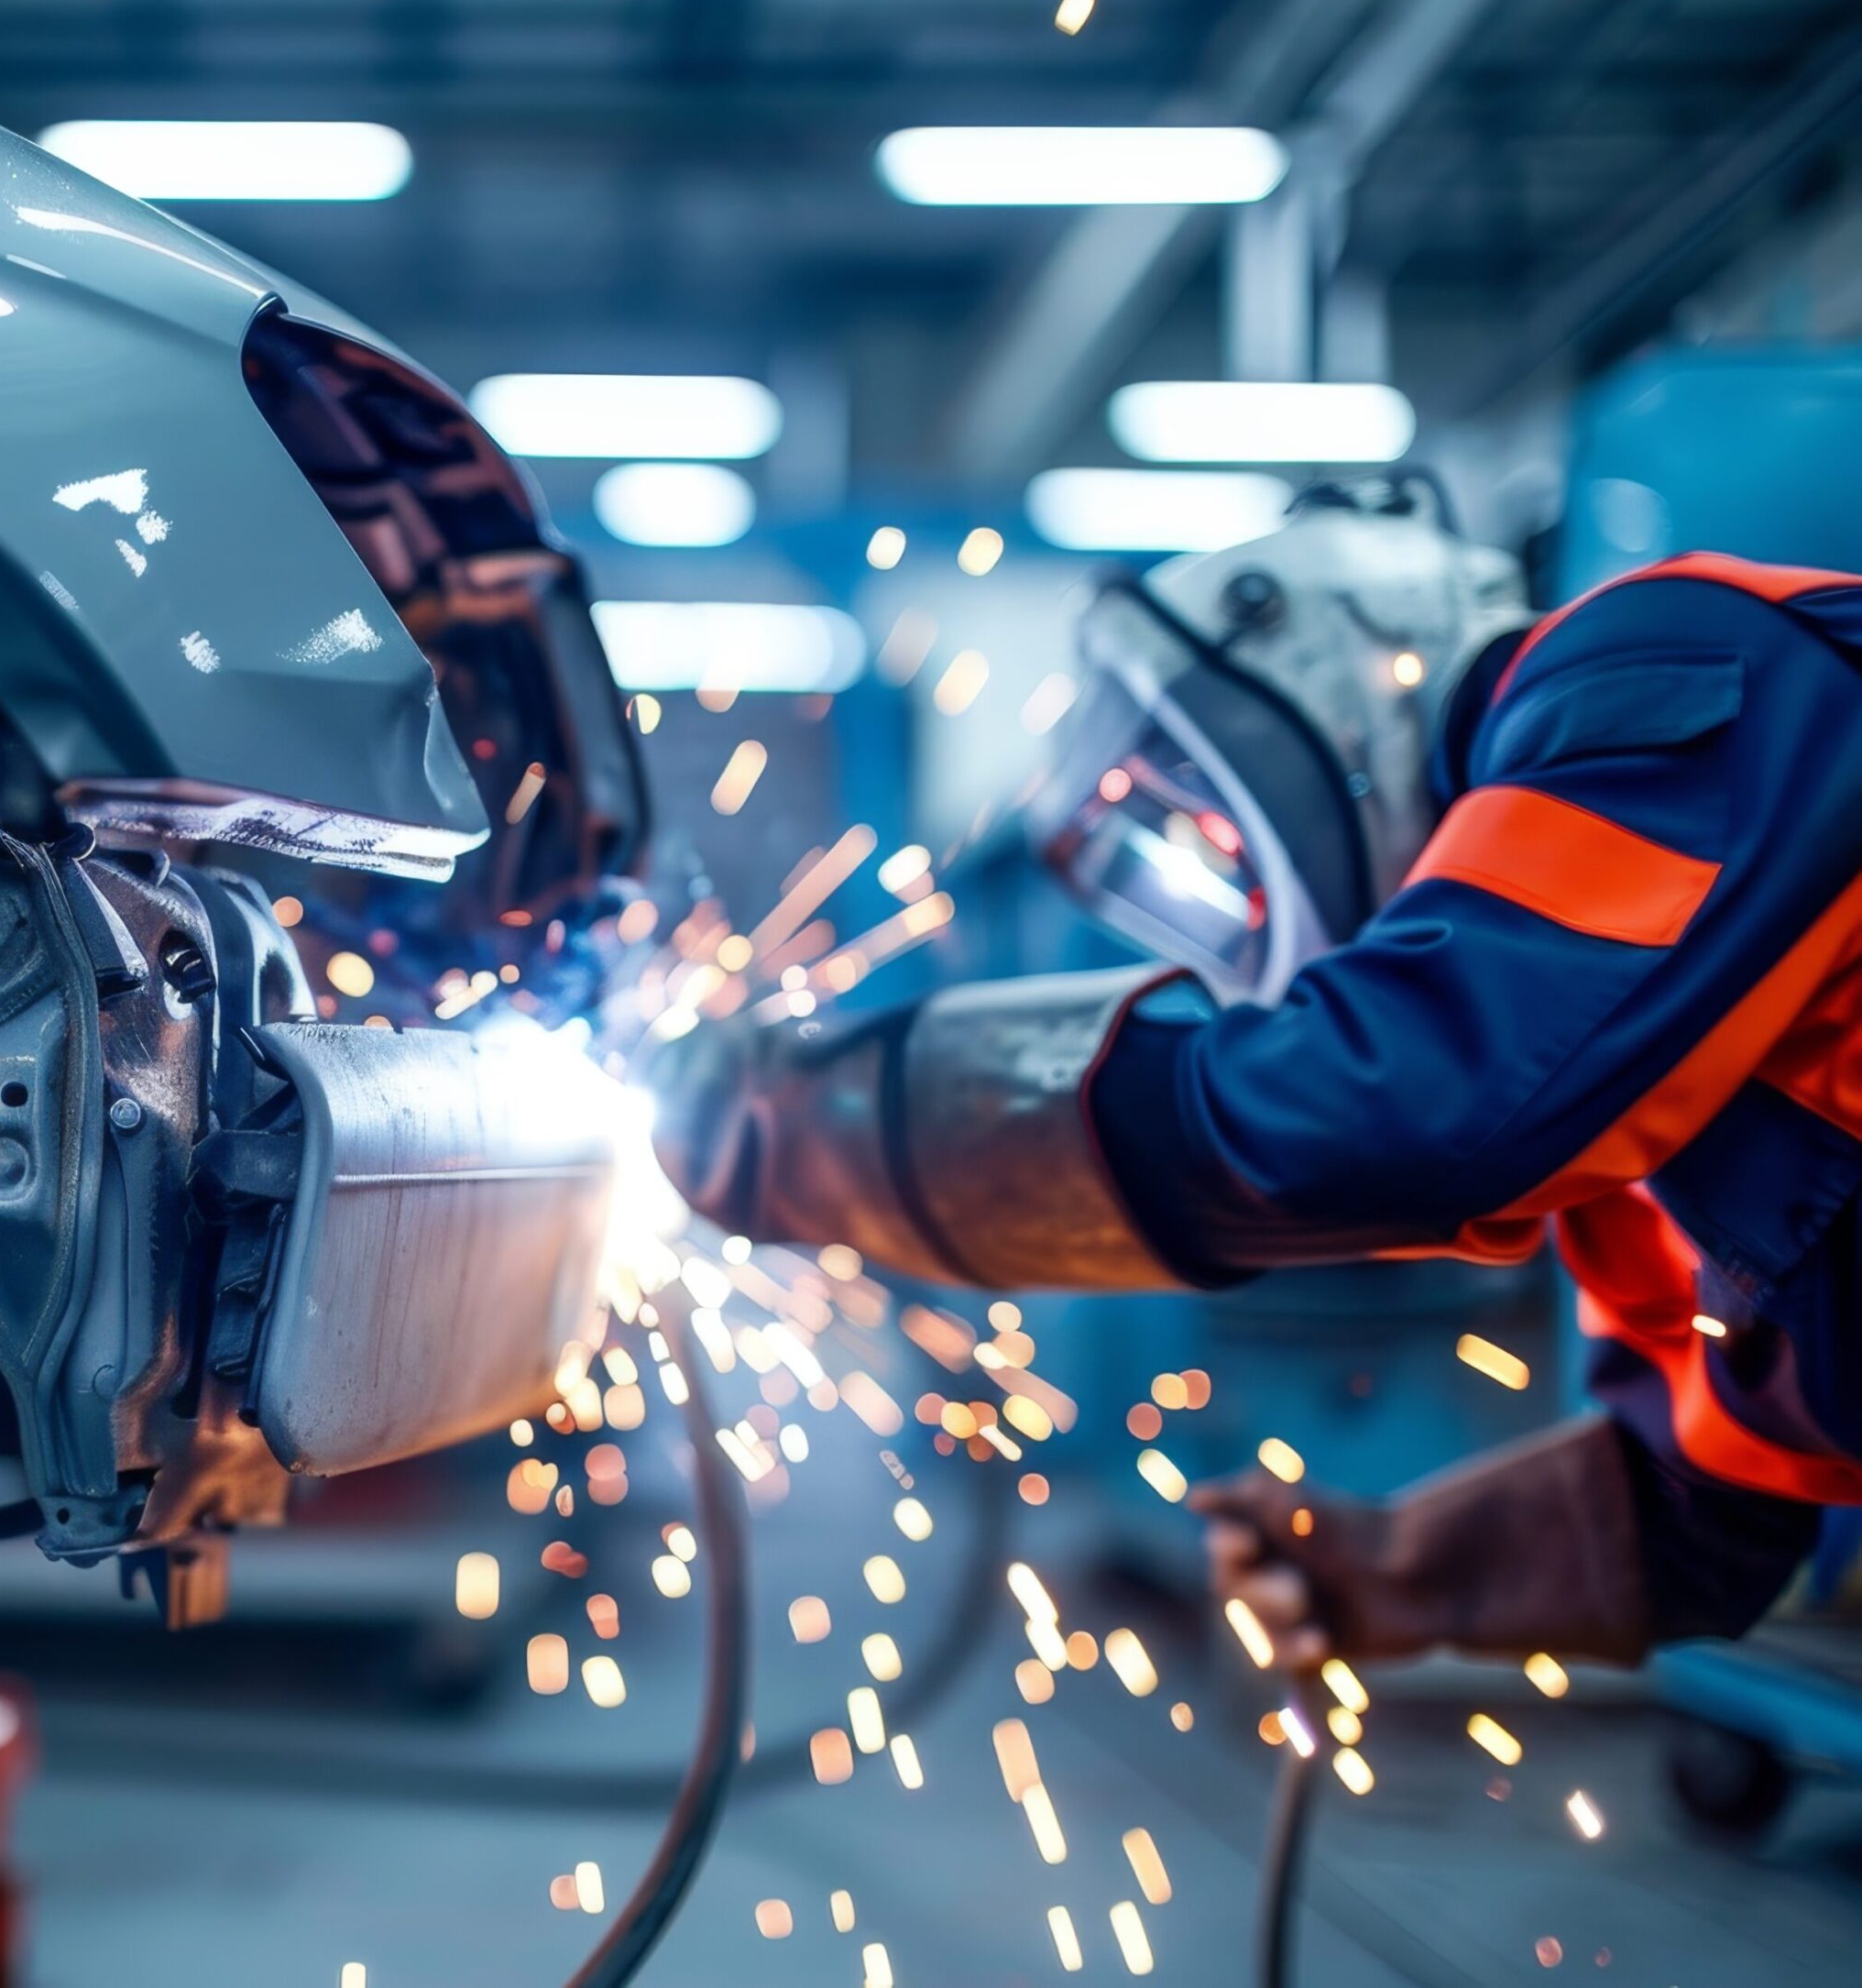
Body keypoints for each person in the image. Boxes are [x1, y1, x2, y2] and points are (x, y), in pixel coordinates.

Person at [651, 483, 1862, 1668]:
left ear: (1323, 696)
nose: (1221, 908)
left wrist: (819, 1132)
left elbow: (1384, 1111)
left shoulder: (1669, 660)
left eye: (1208, 837)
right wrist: (1396, 1566)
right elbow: (1713, 1493)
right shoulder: (1622, 1066)